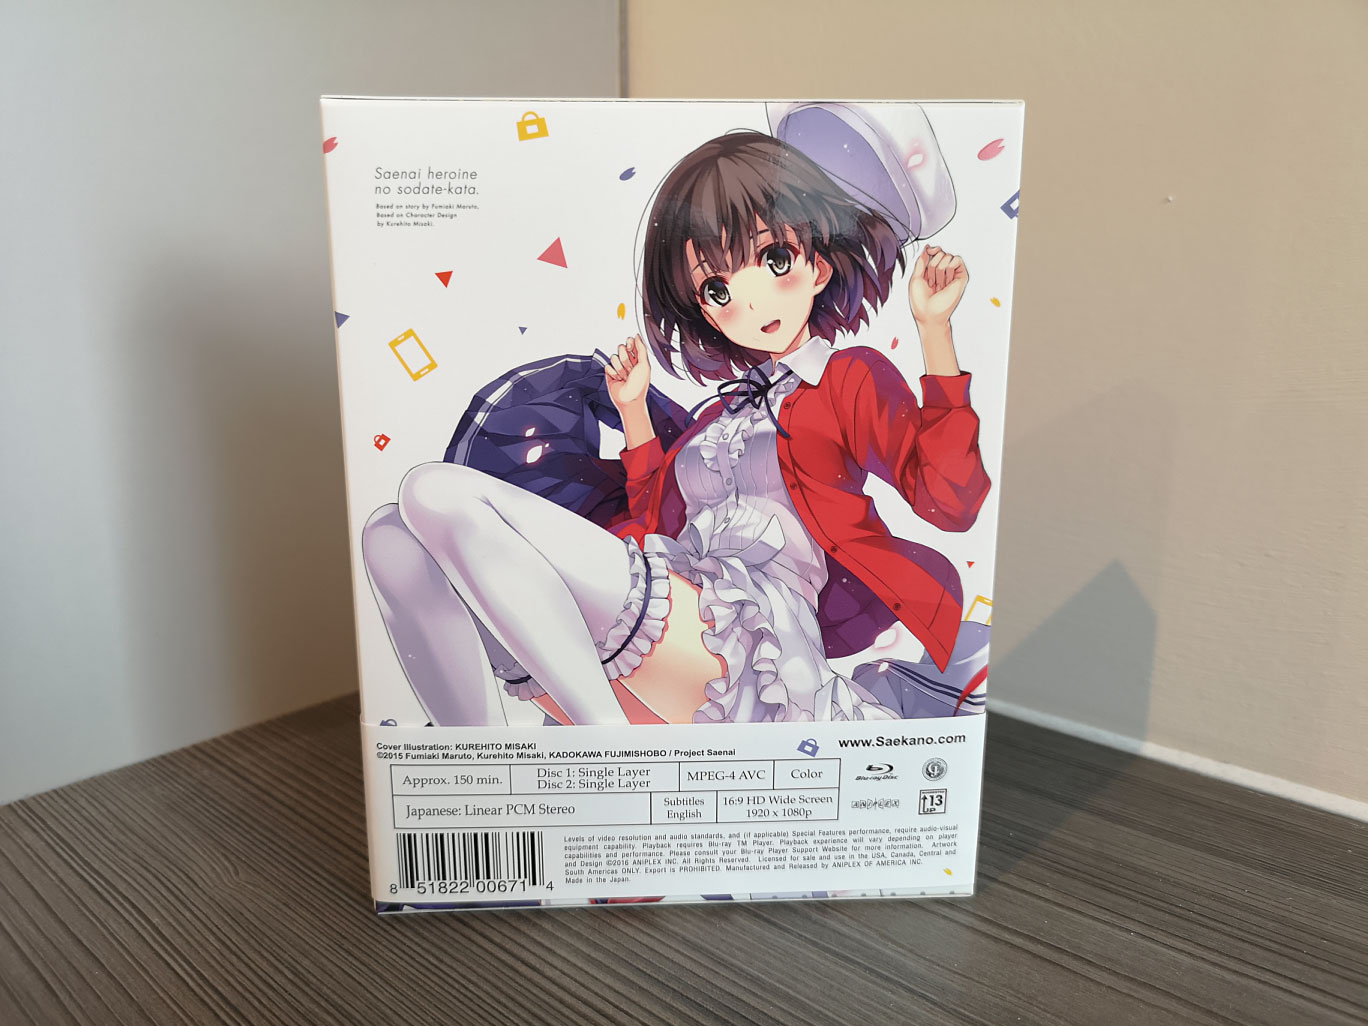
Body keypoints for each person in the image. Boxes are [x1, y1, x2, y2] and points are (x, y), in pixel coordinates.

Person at [362, 131, 989, 726]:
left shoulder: (846, 379)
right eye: (716, 288)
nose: (748, 302)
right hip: (674, 610)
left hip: (750, 638)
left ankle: (605, 739)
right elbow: (653, 523)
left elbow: (949, 500)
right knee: (390, 534)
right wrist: (633, 411)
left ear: (818, 267)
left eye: (773, 259)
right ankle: (477, 764)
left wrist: (935, 331)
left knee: (431, 491)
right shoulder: (718, 418)